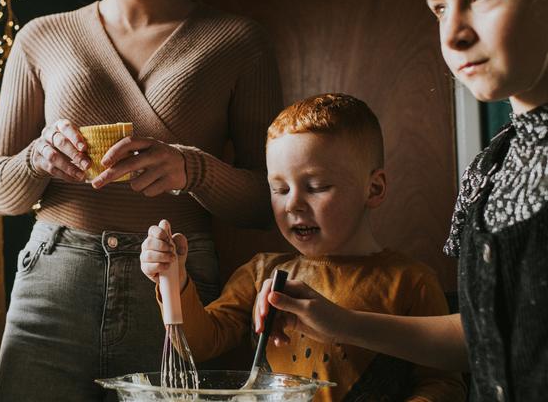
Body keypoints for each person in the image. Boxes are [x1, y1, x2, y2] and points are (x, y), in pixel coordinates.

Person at [0, 0, 281, 399]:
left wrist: (192, 170)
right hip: (54, 287)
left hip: (174, 282)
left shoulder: (240, 42)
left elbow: (270, 202)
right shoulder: (39, 37)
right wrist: (37, 158)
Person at [255, 0, 548, 401]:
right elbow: (483, 337)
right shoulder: (490, 169)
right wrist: (341, 322)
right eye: (439, 8)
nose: (453, 33)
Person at [141, 93, 466, 401]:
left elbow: (443, 384)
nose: (293, 204)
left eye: (316, 187)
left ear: (374, 188)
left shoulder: (411, 282)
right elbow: (198, 344)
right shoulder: (260, 273)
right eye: (279, 189)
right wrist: (174, 278)